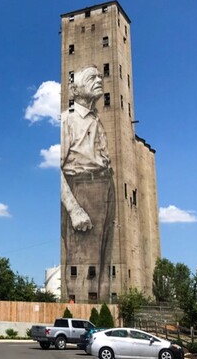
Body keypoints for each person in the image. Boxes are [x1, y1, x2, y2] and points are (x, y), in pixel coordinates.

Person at [60, 65, 116, 300]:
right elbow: (57, 169)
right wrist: (74, 209)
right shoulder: (67, 121)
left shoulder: (95, 119)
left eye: (100, 76)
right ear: (74, 88)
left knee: (104, 263)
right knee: (83, 265)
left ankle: (103, 308)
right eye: (91, 77)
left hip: (105, 188)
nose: (99, 80)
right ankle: (81, 310)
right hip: (82, 189)